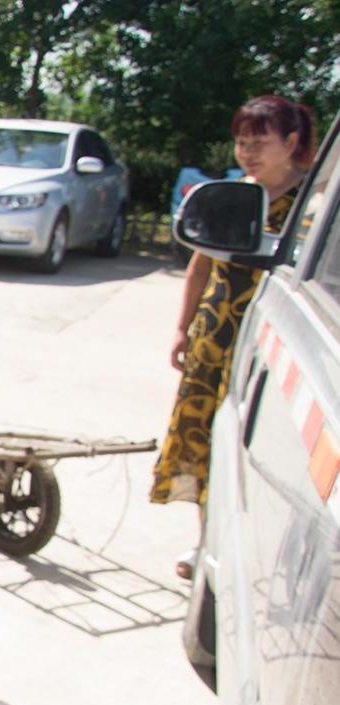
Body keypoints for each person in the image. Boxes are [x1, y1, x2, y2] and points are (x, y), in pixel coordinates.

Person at [152, 95, 314, 580]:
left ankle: (263, 555)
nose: (248, 152)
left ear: (291, 142)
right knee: (204, 444)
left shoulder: (315, 207)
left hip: (274, 350)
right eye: (242, 142)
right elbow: (201, 265)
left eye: (259, 142)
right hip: (216, 342)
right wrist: (184, 327)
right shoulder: (234, 195)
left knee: (260, 453)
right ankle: (209, 544)